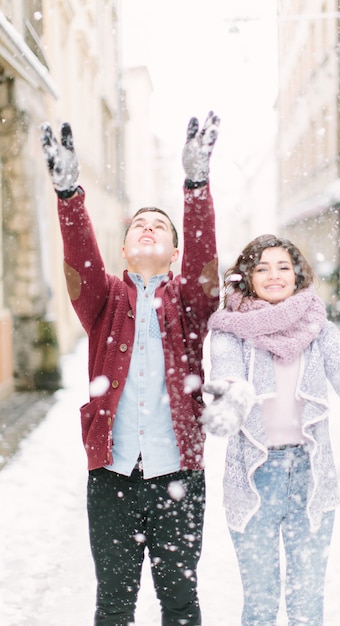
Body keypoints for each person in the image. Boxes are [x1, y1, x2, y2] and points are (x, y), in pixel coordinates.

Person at [40, 112, 220, 626]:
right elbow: (81, 260)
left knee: (181, 607)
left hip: (178, 479)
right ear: (123, 249)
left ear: (174, 252)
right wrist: (70, 195)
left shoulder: (190, 302)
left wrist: (196, 186)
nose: (148, 227)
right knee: (114, 607)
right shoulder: (104, 300)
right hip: (112, 477)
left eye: (159, 226)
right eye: (139, 224)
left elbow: (207, 258)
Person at [202, 234, 340, 626]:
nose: (274, 276)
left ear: (297, 275)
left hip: (311, 477)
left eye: (283, 267)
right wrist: (229, 402)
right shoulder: (231, 331)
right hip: (253, 481)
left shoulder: (318, 328)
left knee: (306, 608)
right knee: (261, 606)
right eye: (262, 268)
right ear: (247, 276)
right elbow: (227, 374)